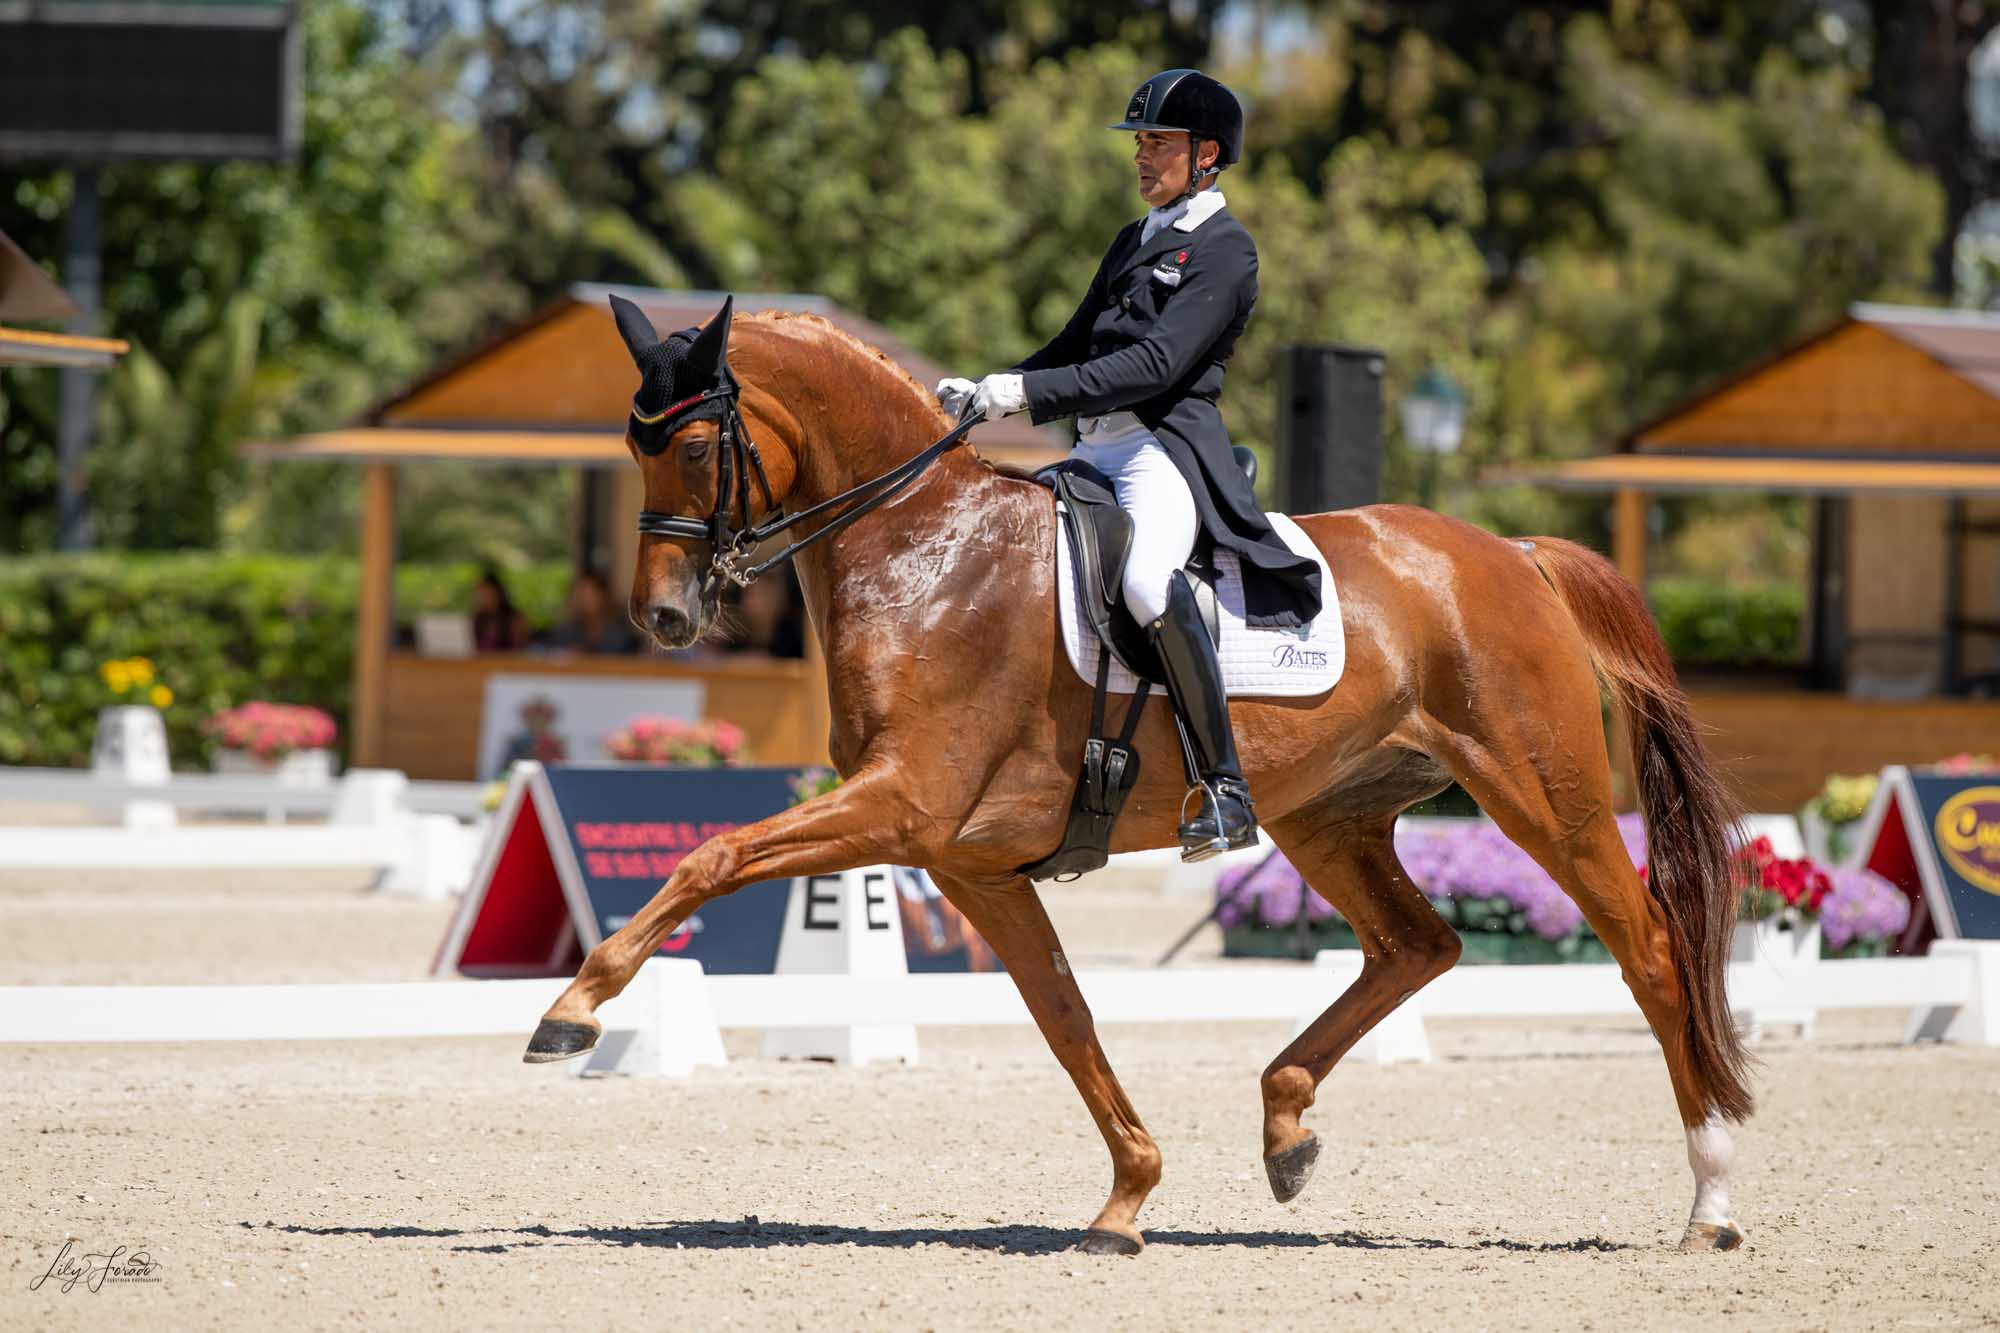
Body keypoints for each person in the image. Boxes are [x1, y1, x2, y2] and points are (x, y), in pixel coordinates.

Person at [935, 69, 1322, 863]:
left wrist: (1029, 394)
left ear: (1206, 153)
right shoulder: (1132, 240)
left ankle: (1225, 788)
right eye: (1140, 142)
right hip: (1093, 448)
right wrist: (991, 387)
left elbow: (1155, 363)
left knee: (1147, 580)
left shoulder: (1227, 249)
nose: (1142, 157)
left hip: (1163, 450)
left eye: (1158, 143)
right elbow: (1075, 344)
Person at [547, 568, 639, 655]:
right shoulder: (567, 631)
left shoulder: (621, 632)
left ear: (603, 597)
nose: (584, 601)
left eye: (589, 595)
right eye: (580, 595)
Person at [470, 568, 531, 654]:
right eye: (480, 594)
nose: (482, 598)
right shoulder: (479, 618)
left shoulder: (515, 617)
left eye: (486, 593)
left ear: (497, 592)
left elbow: (522, 648)